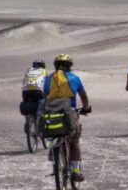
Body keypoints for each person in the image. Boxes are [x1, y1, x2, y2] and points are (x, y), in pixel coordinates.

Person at [43, 54, 91, 182]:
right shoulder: (75, 78)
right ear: (69, 66)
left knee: (53, 131)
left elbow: (45, 95)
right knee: (74, 140)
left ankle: (53, 152)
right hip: (69, 113)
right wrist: (86, 108)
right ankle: (75, 171)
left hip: (51, 113)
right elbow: (83, 96)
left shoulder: (48, 79)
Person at [21, 59, 47, 125]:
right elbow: (46, 83)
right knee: (43, 103)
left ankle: (27, 119)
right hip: (38, 91)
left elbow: (24, 82)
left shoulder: (29, 71)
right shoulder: (44, 71)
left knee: (26, 103)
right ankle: (39, 118)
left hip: (25, 91)